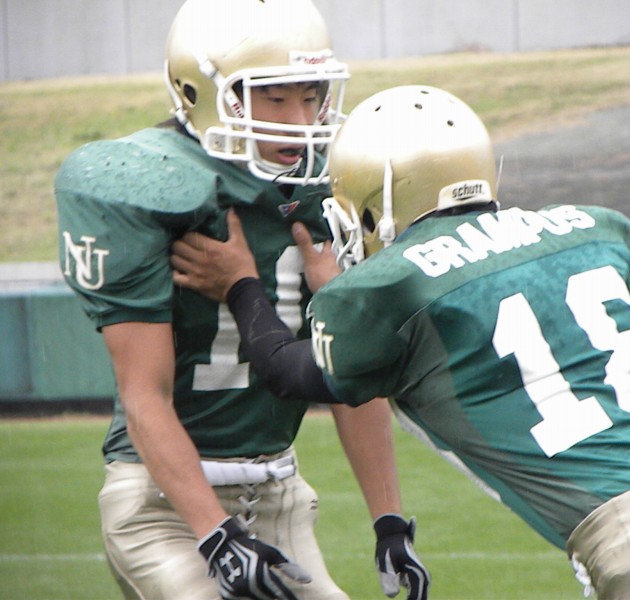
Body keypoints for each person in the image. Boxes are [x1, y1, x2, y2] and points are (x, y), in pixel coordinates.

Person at [171, 84, 630, 599]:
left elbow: (289, 372)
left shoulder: (391, 286)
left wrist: (241, 285)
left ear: (375, 199)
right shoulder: (591, 228)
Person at [55, 1, 429, 598]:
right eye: (273, 98)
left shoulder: (324, 185)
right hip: (164, 504)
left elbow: (349, 375)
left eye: (310, 95)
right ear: (199, 92)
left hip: (281, 498)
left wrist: (388, 521)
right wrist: (216, 536)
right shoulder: (147, 184)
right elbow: (143, 394)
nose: (298, 119)